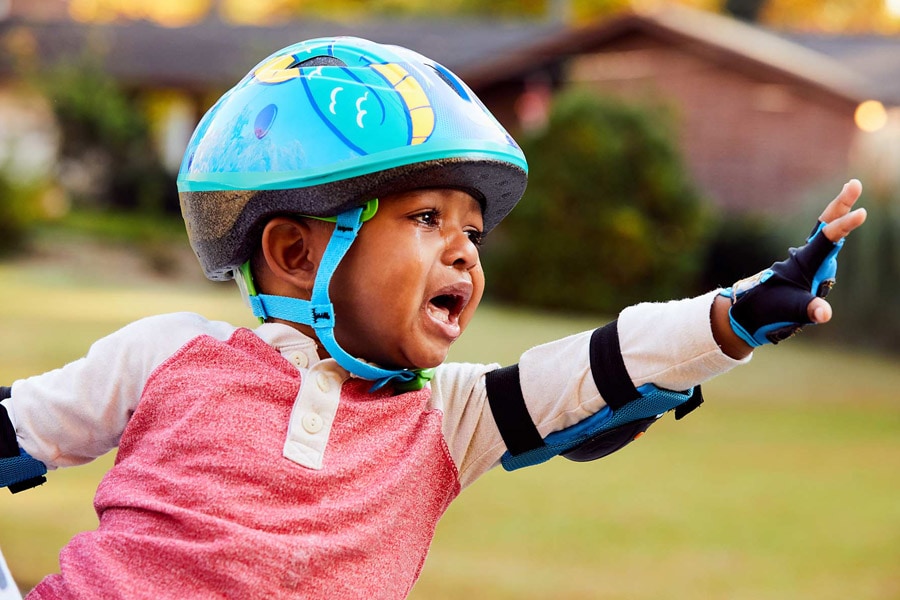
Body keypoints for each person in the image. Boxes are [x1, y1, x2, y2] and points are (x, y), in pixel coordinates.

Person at [0, 37, 866, 599]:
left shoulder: (448, 418)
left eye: (472, 232)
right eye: (425, 221)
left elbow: (606, 363)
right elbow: (18, 426)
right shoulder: (170, 357)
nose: (465, 253)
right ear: (296, 254)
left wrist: (737, 315)